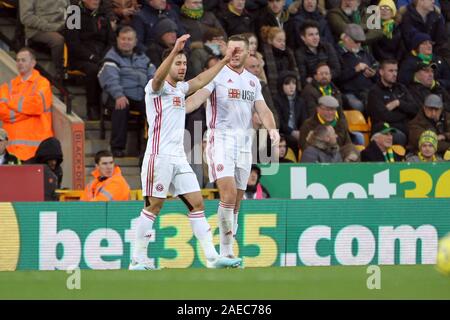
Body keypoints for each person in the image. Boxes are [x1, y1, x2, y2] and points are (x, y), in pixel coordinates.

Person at [131, 34, 243, 270]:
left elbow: (201, 79)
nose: (182, 68)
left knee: (197, 203)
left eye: (183, 63)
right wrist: (174, 50)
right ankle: (137, 260)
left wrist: (224, 61)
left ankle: (212, 257)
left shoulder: (181, 90)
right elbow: (158, 76)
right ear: (168, 64)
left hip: (179, 158)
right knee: (154, 206)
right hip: (158, 156)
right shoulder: (155, 89)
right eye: (177, 63)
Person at [186, 34, 279, 260]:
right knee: (227, 194)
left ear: (248, 53)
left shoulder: (252, 81)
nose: (235, 54)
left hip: (245, 144)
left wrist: (272, 129)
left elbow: (263, 109)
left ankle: (228, 248)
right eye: (231, 50)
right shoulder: (216, 76)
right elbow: (198, 97)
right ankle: (225, 252)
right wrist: (179, 107)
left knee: (237, 200)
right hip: (221, 140)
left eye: (239, 50)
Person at [98, 26, 155, 158]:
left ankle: (147, 148)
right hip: (118, 95)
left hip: (141, 95)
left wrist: (153, 92)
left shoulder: (143, 57)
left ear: (135, 41)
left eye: (129, 39)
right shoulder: (111, 56)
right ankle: (117, 147)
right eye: (123, 39)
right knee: (122, 106)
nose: (126, 42)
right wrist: (119, 95)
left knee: (154, 109)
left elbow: (153, 75)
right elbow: (110, 79)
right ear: (118, 40)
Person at [64, 0, 115, 120]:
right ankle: (92, 108)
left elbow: (111, 41)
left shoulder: (103, 15)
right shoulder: (74, 13)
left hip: (102, 56)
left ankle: (110, 107)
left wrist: (104, 56)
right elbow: (73, 43)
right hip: (80, 58)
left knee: (114, 68)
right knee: (93, 70)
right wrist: (91, 57)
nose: (96, 1)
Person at [0, 47, 53, 162]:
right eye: (18, 60)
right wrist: (27, 111)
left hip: (35, 151)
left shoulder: (43, 83)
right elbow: (2, 112)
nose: (19, 63)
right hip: (10, 151)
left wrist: (11, 102)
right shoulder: (7, 86)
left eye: (23, 60)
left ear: (33, 63)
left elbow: (37, 105)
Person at [367, 59, 419, 146]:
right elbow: (383, 116)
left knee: (424, 136)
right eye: (391, 71)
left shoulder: (401, 88)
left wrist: (398, 103)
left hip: (405, 127)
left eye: (396, 71)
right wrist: (405, 114)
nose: (394, 74)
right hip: (385, 130)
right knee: (400, 137)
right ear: (381, 72)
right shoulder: (374, 92)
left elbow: (415, 109)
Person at [19, 0, 70, 82]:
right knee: (57, 40)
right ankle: (59, 73)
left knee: (77, 34)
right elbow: (26, 17)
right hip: (37, 30)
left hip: (59, 26)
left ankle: (74, 68)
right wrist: (50, 27)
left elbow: (68, 8)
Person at [299, 95, 359, 161]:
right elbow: (304, 146)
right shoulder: (308, 125)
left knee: (353, 150)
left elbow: (348, 144)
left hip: (337, 156)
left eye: (333, 110)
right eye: (327, 110)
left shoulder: (341, 123)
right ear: (318, 109)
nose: (330, 113)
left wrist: (350, 153)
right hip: (318, 156)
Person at [336, 23, 378, 113]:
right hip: (349, 92)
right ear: (346, 39)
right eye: (356, 42)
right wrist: (355, 70)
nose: (359, 45)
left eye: (360, 42)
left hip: (369, 90)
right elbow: (337, 77)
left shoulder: (364, 53)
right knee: (358, 106)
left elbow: (376, 67)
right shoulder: (337, 54)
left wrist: (373, 73)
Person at [294, 20, 341, 85]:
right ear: (303, 38)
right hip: (313, 88)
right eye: (311, 35)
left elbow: (337, 70)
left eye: (317, 34)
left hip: (332, 85)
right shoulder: (299, 53)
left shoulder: (327, 47)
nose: (315, 37)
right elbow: (303, 78)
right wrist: (325, 75)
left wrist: (321, 77)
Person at [273, 70, 307, 154]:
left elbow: (304, 120)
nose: (291, 86)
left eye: (294, 83)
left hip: (298, 133)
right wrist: (292, 132)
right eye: (287, 84)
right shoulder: (276, 100)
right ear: (281, 86)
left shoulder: (300, 101)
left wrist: (301, 132)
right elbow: (279, 122)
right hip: (282, 133)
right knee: (292, 141)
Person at [27, 137, 63, 201]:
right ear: (43, 159)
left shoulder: (58, 171)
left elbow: (55, 191)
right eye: (51, 159)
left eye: (56, 159)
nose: (54, 162)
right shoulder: (28, 168)